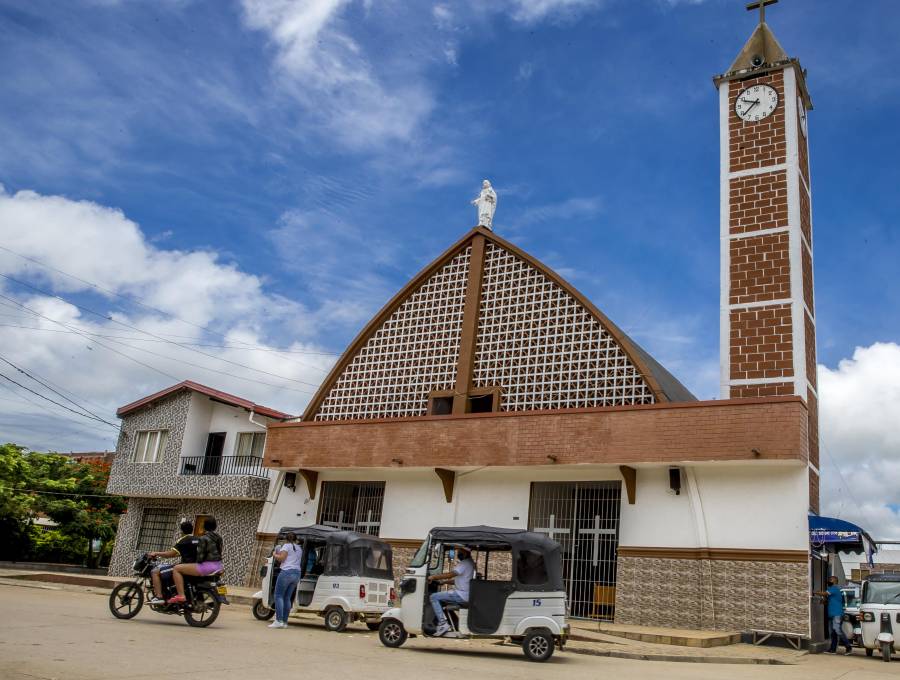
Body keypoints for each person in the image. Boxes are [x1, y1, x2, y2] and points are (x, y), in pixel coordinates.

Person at [168, 516, 223, 604]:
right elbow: (219, 552)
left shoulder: (203, 538)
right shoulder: (219, 538)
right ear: (215, 526)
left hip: (206, 566)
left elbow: (200, 556)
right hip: (218, 566)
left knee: (176, 568)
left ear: (204, 526)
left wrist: (196, 563)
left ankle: (181, 595)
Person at [147, 520, 199, 604]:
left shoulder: (183, 541)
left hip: (185, 567)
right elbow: (185, 552)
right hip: (196, 567)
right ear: (192, 529)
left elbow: (170, 554)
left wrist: (156, 553)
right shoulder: (197, 539)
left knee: (155, 572)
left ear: (182, 531)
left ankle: (159, 596)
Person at [427, 546, 475, 637]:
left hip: (461, 595)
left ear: (465, 552)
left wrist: (433, 577)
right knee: (443, 603)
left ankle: (442, 624)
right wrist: (443, 582)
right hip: (465, 594)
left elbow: (450, 575)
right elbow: (457, 580)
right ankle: (456, 624)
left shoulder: (464, 563)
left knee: (433, 597)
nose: (458, 553)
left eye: (459, 551)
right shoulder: (470, 563)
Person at [269, 532, 303, 629]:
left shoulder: (286, 546)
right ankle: (284, 622)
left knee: (278, 595)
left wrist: (275, 554)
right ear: (296, 539)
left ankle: (278, 620)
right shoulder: (299, 548)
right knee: (287, 597)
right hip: (296, 573)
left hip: (286, 572)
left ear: (286, 539)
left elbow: (282, 559)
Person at [815, 576, 852, 655]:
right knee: (833, 633)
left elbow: (824, 593)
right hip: (832, 614)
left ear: (835, 581)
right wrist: (824, 600)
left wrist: (815, 592)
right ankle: (832, 649)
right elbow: (826, 601)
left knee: (837, 630)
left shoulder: (834, 588)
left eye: (830, 580)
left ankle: (848, 647)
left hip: (837, 614)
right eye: (828, 580)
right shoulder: (831, 591)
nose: (828, 581)